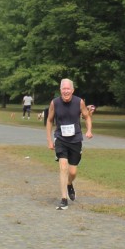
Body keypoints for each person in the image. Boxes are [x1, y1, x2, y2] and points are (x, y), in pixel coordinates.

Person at [46, 78, 93, 210]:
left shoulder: (79, 102)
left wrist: (89, 130)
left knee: (72, 172)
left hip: (75, 140)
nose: (66, 91)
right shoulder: (54, 103)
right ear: (60, 90)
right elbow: (49, 121)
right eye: (63, 89)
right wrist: (49, 140)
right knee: (63, 167)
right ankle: (64, 199)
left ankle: (69, 184)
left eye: (68, 89)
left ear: (72, 90)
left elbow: (87, 116)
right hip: (60, 139)